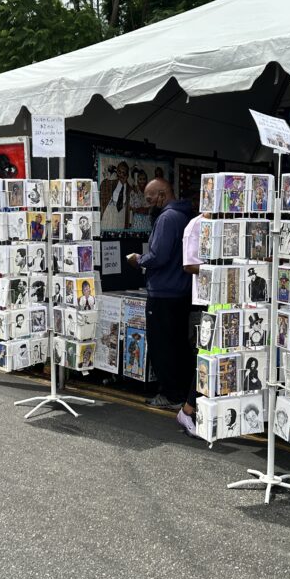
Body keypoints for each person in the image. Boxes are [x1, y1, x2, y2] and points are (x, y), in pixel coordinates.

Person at [126, 178, 194, 417]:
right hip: (181, 290)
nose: (148, 203)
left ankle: (172, 395)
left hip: (164, 291)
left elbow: (159, 255)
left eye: (150, 198)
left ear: (162, 195)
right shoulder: (185, 216)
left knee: (163, 345)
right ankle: (182, 392)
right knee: (177, 343)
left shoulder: (167, 218)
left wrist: (138, 260)